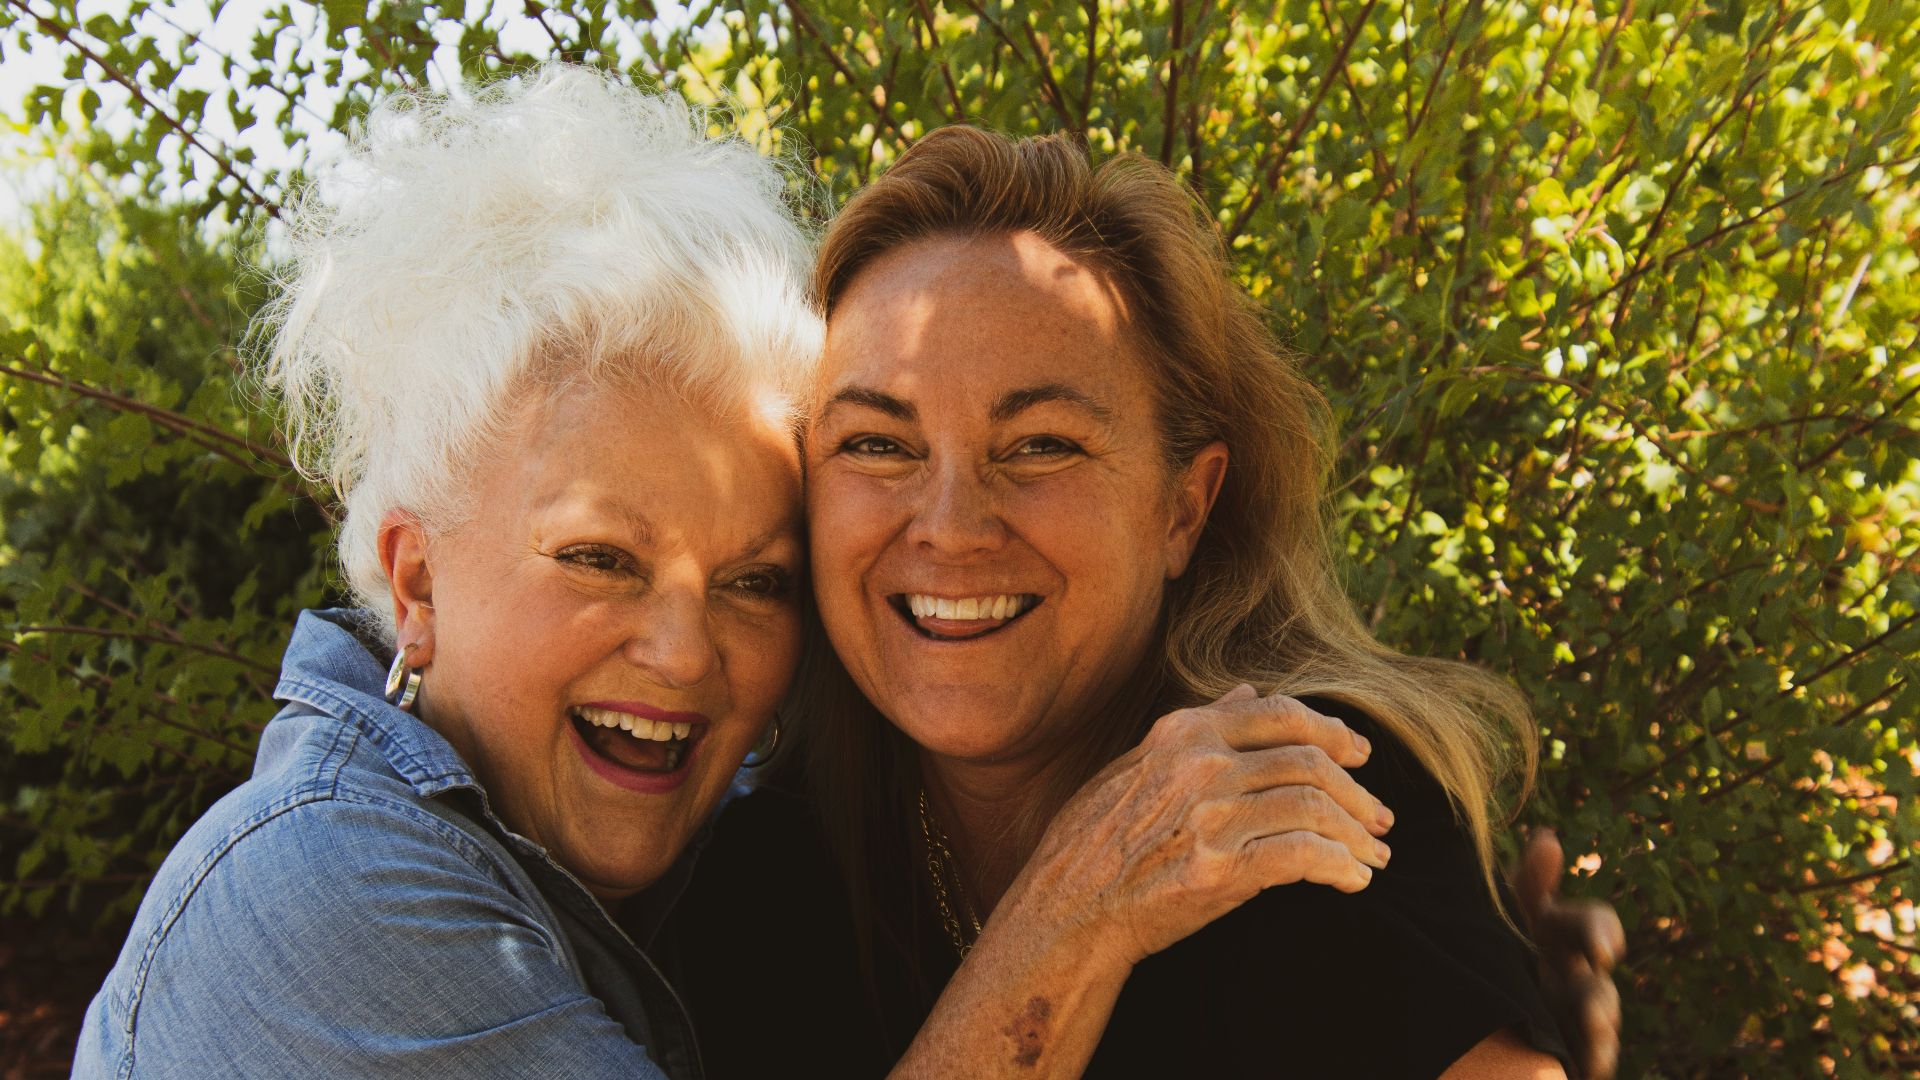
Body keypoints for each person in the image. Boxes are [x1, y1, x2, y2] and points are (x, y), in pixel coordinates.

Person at [71, 69, 1402, 1080]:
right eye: (599, 557)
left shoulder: (676, 854)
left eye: (754, 583)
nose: (686, 655)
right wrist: (1078, 906)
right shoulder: (326, 897)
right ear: (414, 583)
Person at [659, 126, 1621, 1078]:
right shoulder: (763, 873)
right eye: (876, 444)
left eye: (1042, 444)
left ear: (1182, 509)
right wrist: (1071, 916)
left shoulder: (1292, 794)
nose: (949, 528)